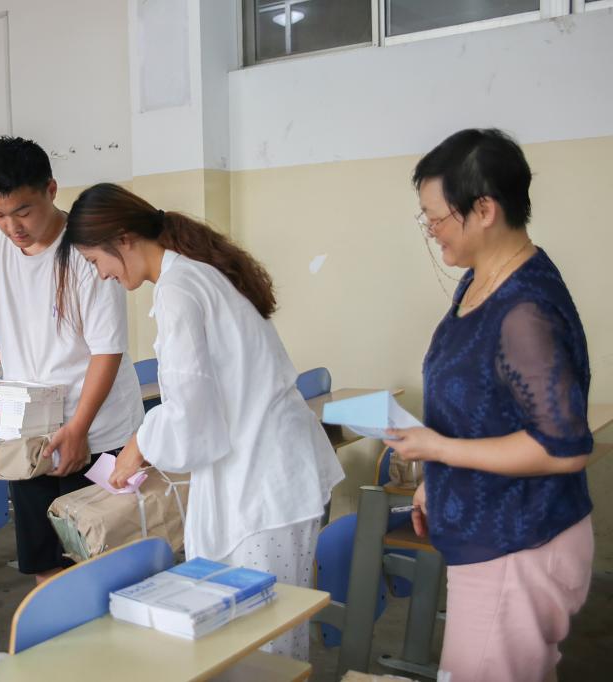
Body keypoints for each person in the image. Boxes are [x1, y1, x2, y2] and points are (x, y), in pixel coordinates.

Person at [56, 183, 344, 660]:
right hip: (268, 473)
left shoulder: (179, 290)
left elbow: (192, 419)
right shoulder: (193, 275)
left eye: (95, 261)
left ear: (123, 239)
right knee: (264, 636)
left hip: (265, 485)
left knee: (263, 645)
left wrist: (140, 443)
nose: (102, 274)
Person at [384, 129, 593, 682]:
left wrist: (440, 450)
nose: (430, 230)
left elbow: (564, 448)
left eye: (437, 217)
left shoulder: (524, 309)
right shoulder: (481, 279)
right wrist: (438, 478)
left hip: (518, 543)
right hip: (495, 536)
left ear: (484, 210)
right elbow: (487, 408)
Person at [0, 137, 143, 583]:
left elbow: (106, 351)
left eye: (22, 211)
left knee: (99, 561)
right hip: (29, 435)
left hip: (98, 430)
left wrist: (79, 429)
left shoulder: (86, 250)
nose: (12, 227)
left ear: (51, 190)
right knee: (44, 561)